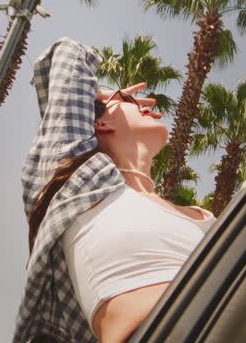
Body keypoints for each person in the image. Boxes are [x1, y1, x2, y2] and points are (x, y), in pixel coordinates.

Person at [13, 38, 215, 343]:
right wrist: (104, 96)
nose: (147, 107)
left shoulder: (203, 217)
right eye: (131, 102)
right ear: (101, 124)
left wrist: (116, 104)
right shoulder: (84, 183)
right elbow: (67, 53)